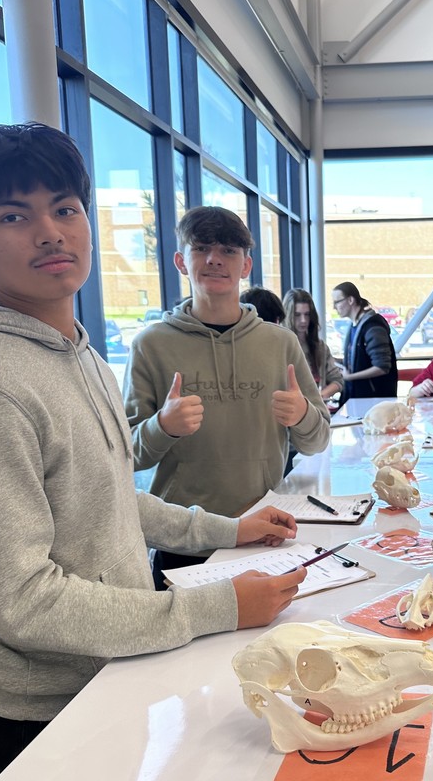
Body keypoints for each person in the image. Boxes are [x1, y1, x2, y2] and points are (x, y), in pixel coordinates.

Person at [0, 122, 306, 781]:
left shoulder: (75, 351)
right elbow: (22, 601)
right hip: (28, 718)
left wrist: (231, 529)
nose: (51, 231)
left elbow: (115, 498)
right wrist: (214, 607)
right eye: (14, 216)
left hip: (97, 684)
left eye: (65, 207)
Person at [123, 207, 331, 582]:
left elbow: (317, 442)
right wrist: (163, 427)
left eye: (229, 251)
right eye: (201, 248)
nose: (215, 259)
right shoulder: (149, 346)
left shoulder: (280, 343)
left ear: (246, 265)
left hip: (265, 532)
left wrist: (302, 415)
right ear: (180, 261)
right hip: (184, 543)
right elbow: (127, 457)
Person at [331, 281, 398, 399]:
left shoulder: (372, 327)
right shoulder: (355, 325)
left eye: (337, 302)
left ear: (350, 300)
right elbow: (360, 361)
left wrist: (349, 377)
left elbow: (381, 367)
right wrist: (335, 361)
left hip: (373, 400)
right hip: (361, 398)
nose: (334, 307)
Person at [282, 287, 344, 401]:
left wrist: (320, 396)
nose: (303, 320)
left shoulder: (320, 347)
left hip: (316, 412)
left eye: (307, 314)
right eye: (297, 315)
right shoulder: (280, 348)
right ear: (288, 315)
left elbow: (338, 380)